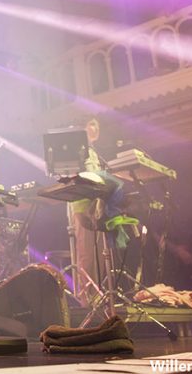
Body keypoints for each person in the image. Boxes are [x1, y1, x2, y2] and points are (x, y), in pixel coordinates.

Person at [68, 117, 125, 302]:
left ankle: (99, 296)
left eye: (97, 125)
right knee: (87, 254)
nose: (95, 128)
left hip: (97, 206)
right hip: (82, 206)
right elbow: (74, 175)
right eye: (91, 124)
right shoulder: (77, 149)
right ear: (82, 127)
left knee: (101, 253)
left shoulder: (94, 152)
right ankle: (85, 300)